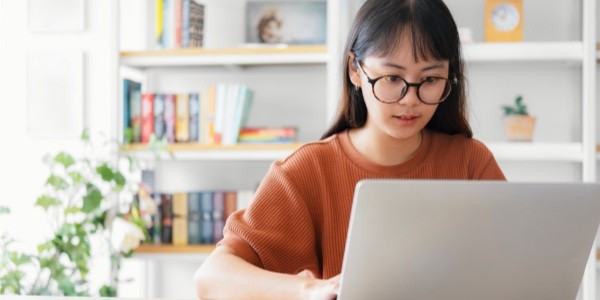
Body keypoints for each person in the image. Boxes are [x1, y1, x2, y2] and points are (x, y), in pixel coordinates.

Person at [194, 0, 505, 299]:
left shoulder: (471, 163)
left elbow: (517, 266)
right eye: (392, 77)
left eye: (430, 79)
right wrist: (309, 290)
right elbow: (211, 280)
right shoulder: (306, 170)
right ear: (355, 70)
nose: (410, 99)